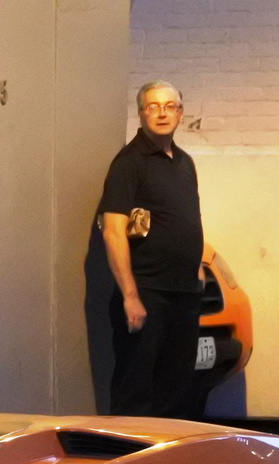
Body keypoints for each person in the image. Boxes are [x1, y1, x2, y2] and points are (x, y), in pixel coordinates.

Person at [98, 80, 205, 418]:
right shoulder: (129, 163)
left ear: (181, 113)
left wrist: (197, 266)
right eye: (153, 107)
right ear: (141, 114)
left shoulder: (185, 162)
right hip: (147, 291)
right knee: (136, 388)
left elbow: (185, 219)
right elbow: (113, 231)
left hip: (184, 292)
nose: (162, 113)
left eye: (169, 106)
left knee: (176, 389)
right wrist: (130, 295)